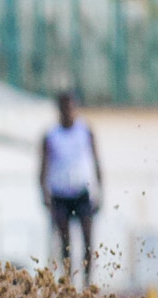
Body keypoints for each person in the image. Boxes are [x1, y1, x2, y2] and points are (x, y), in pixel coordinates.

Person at [39, 91, 103, 285]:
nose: (68, 112)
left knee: (87, 242)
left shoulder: (85, 132)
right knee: (65, 245)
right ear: (58, 110)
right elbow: (42, 167)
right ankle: (68, 284)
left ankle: (87, 283)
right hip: (60, 196)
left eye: (71, 107)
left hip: (82, 193)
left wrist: (100, 192)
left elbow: (97, 162)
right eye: (64, 108)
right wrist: (44, 194)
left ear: (76, 108)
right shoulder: (51, 136)